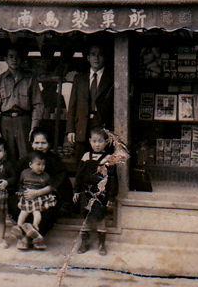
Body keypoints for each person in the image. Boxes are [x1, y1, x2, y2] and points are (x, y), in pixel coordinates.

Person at [8, 127, 74, 250]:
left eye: (43, 143)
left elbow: (57, 183)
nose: (40, 146)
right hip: (27, 196)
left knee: (50, 210)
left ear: (49, 144)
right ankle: (28, 235)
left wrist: (37, 193)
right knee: (15, 204)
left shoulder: (54, 161)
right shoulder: (26, 160)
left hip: (44, 195)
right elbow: (16, 178)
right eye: (36, 142)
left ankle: (27, 238)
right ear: (32, 144)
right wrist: (22, 192)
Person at [0, 43, 44, 164]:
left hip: (24, 122)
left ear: (22, 59)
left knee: (26, 156)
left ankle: (24, 182)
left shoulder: (30, 78)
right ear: (6, 59)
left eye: (17, 57)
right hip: (5, 122)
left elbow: (38, 105)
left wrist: (33, 127)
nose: (14, 60)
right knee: (6, 157)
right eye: (11, 56)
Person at [73, 127, 118, 256]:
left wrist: (111, 197)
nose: (97, 144)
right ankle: (84, 242)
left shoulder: (108, 158)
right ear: (90, 142)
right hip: (86, 193)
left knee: (100, 219)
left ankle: (101, 243)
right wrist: (76, 191)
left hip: (101, 194)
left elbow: (113, 179)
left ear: (106, 142)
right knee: (86, 218)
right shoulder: (86, 156)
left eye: (100, 141)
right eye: (94, 141)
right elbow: (79, 175)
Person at [66, 43, 114, 164]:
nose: (96, 58)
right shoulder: (79, 78)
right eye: (93, 54)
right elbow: (72, 106)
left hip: (102, 125)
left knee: (102, 163)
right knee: (82, 162)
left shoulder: (111, 79)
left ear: (106, 57)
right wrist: (70, 129)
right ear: (88, 57)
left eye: (100, 55)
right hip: (82, 126)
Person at [11, 150, 57, 248]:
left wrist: (40, 193)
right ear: (30, 165)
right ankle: (19, 226)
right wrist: (20, 190)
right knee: (23, 212)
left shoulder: (45, 176)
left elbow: (50, 187)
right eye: (38, 164)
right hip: (27, 196)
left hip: (38, 198)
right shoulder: (25, 173)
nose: (41, 167)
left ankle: (35, 226)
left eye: (43, 165)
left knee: (37, 212)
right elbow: (20, 182)